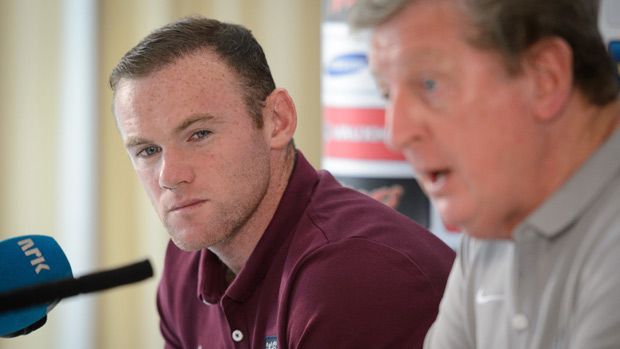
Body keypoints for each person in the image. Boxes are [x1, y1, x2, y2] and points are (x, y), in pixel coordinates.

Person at [109, 16, 455, 348]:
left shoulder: (358, 274)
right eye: (147, 150)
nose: (170, 176)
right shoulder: (187, 264)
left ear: (277, 120)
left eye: (199, 134)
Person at [349, 0, 620, 348]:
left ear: (545, 78)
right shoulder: (495, 216)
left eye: (429, 84)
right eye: (387, 93)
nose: (396, 134)